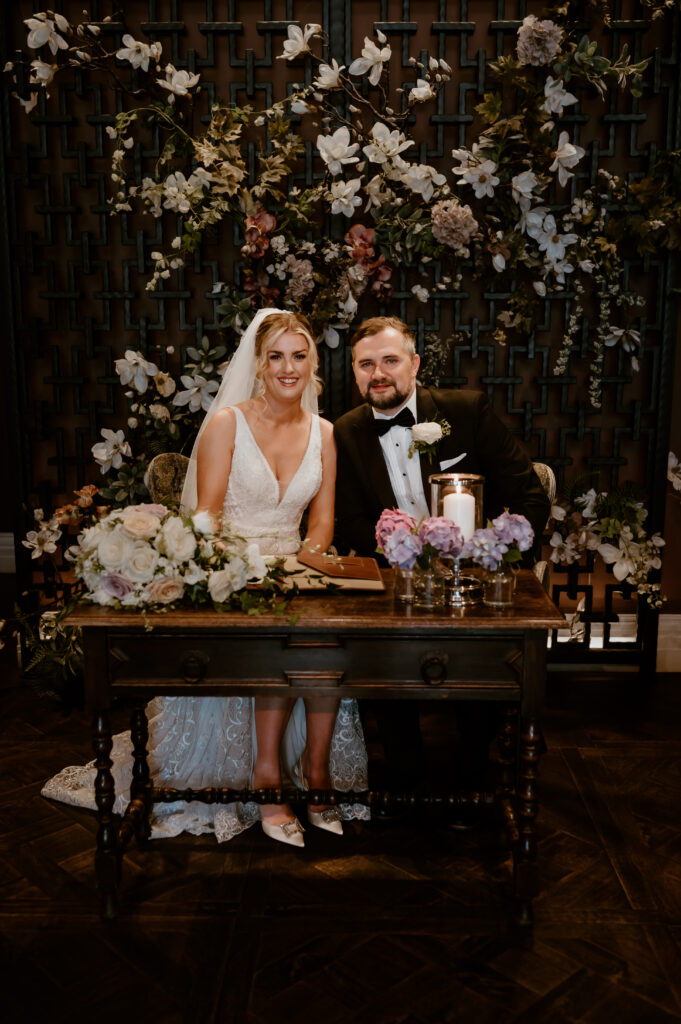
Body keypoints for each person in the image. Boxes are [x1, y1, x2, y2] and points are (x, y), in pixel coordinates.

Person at [43, 309, 368, 846]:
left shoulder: (326, 432)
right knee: (283, 641)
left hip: (299, 571)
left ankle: (317, 773)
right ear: (259, 365)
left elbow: (324, 521)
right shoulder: (228, 424)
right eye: (276, 356)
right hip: (233, 574)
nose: (288, 367)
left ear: (313, 363)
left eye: (299, 355)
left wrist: (302, 562)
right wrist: (246, 569)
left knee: (327, 637)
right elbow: (206, 519)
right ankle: (268, 779)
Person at [333, 315, 549, 814]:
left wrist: (492, 552)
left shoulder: (466, 411)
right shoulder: (344, 431)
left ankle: (472, 776)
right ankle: (405, 778)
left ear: (415, 364)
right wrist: (395, 556)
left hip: (474, 576)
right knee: (378, 649)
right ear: (355, 372)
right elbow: (348, 523)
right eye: (366, 364)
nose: (378, 373)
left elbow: (528, 495)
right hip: (394, 581)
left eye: (390, 360)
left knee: (485, 656)